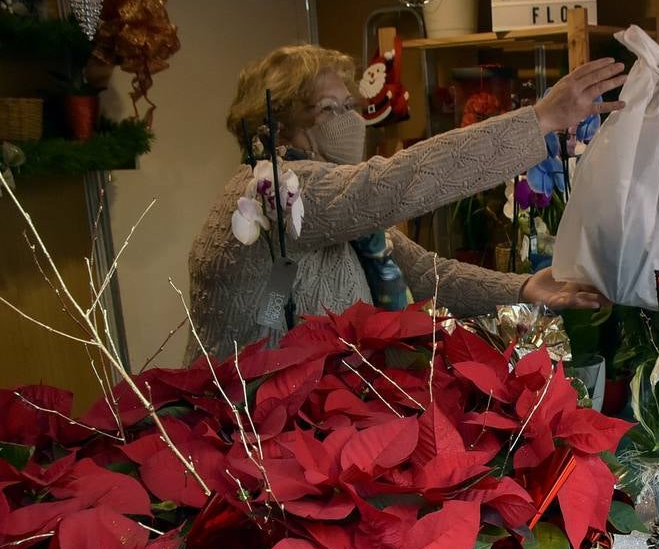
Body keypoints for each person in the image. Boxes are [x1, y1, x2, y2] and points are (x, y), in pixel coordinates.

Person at [187, 44, 625, 360]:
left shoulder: (342, 211)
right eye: (328, 110)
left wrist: (522, 289)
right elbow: (393, 183)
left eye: (348, 106)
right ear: (277, 123)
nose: (349, 123)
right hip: (241, 435)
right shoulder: (268, 191)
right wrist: (540, 120)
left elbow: (426, 273)